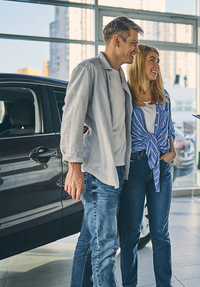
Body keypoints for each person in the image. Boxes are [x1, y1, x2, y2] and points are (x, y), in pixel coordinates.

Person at [60, 16, 143, 287]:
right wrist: (74, 167)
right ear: (116, 40)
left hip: (117, 170)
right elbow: (71, 119)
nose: (136, 49)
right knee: (105, 247)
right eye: (133, 42)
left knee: (90, 240)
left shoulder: (119, 75)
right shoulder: (89, 70)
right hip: (98, 173)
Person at [119, 44, 176, 287]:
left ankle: (165, 284)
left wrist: (172, 152)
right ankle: (129, 284)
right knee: (130, 235)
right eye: (152, 60)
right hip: (134, 168)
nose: (157, 65)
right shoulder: (125, 96)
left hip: (161, 168)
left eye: (158, 61)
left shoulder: (164, 95)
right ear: (140, 62)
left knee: (161, 234)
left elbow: (169, 128)